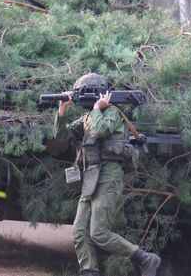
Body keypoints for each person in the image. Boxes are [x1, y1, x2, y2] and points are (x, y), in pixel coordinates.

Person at [54, 73, 161, 276]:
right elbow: (61, 135)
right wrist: (62, 110)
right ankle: (88, 271)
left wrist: (97, 109)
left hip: (108, 177)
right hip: (90, 178)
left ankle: (147, 260)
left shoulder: (112, 113)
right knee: (79, 232)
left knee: (99, 234)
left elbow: (102, 130)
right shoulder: (87, 117)